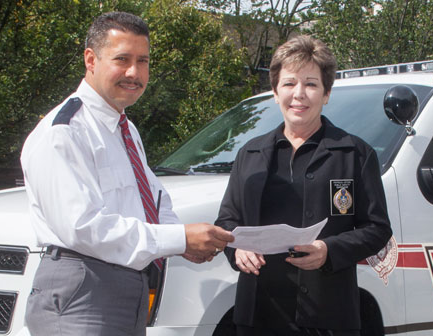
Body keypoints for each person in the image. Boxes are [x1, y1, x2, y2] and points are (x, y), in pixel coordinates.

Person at [20, 11, 233, 336]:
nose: (134, 72)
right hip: (83, 290)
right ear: (91, 60)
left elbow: (152, 197)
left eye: (143, 61)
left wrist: (180, 241)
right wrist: (178, 237)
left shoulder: (124, 128)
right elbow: (85, 227)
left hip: (127, 288)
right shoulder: (64, 132)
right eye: (122, 59)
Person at [214, 35, 393, 336]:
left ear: (326, 94)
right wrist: (237, 249)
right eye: (289, 83)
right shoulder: (250, 154)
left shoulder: (355, 154)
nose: (299, 94)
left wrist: (328, 249)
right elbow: (228, 219)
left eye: (311, 84)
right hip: (257, 315)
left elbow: (377, 228)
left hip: (328, 317)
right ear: (274, 92)